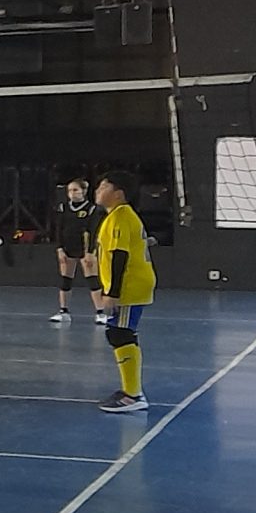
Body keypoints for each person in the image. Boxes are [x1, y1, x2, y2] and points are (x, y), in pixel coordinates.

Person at [93, 171, 154, 414]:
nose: (98, 190)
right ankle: (132, 389)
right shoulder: (116, 216)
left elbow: (120, 255)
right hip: (129, 285)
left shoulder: (121, 216)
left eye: (104, 186)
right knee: (120, 332)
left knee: (120, 333)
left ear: (118, 193)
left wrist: (113, 293)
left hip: (130, 285)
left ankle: (133, 395)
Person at [50, 178, 105, 324]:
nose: (72, 193)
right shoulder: (63, 208)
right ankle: (64, 311)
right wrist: (60, 249)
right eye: (69, 190)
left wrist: (90, 252)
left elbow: (93, 232)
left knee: (92, 280)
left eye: (75, 190)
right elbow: (58, 230)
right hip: (68, 248)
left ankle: (100, 312)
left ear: (84, 191)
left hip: (85, 249)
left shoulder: (91, 209)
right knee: (65, 280)